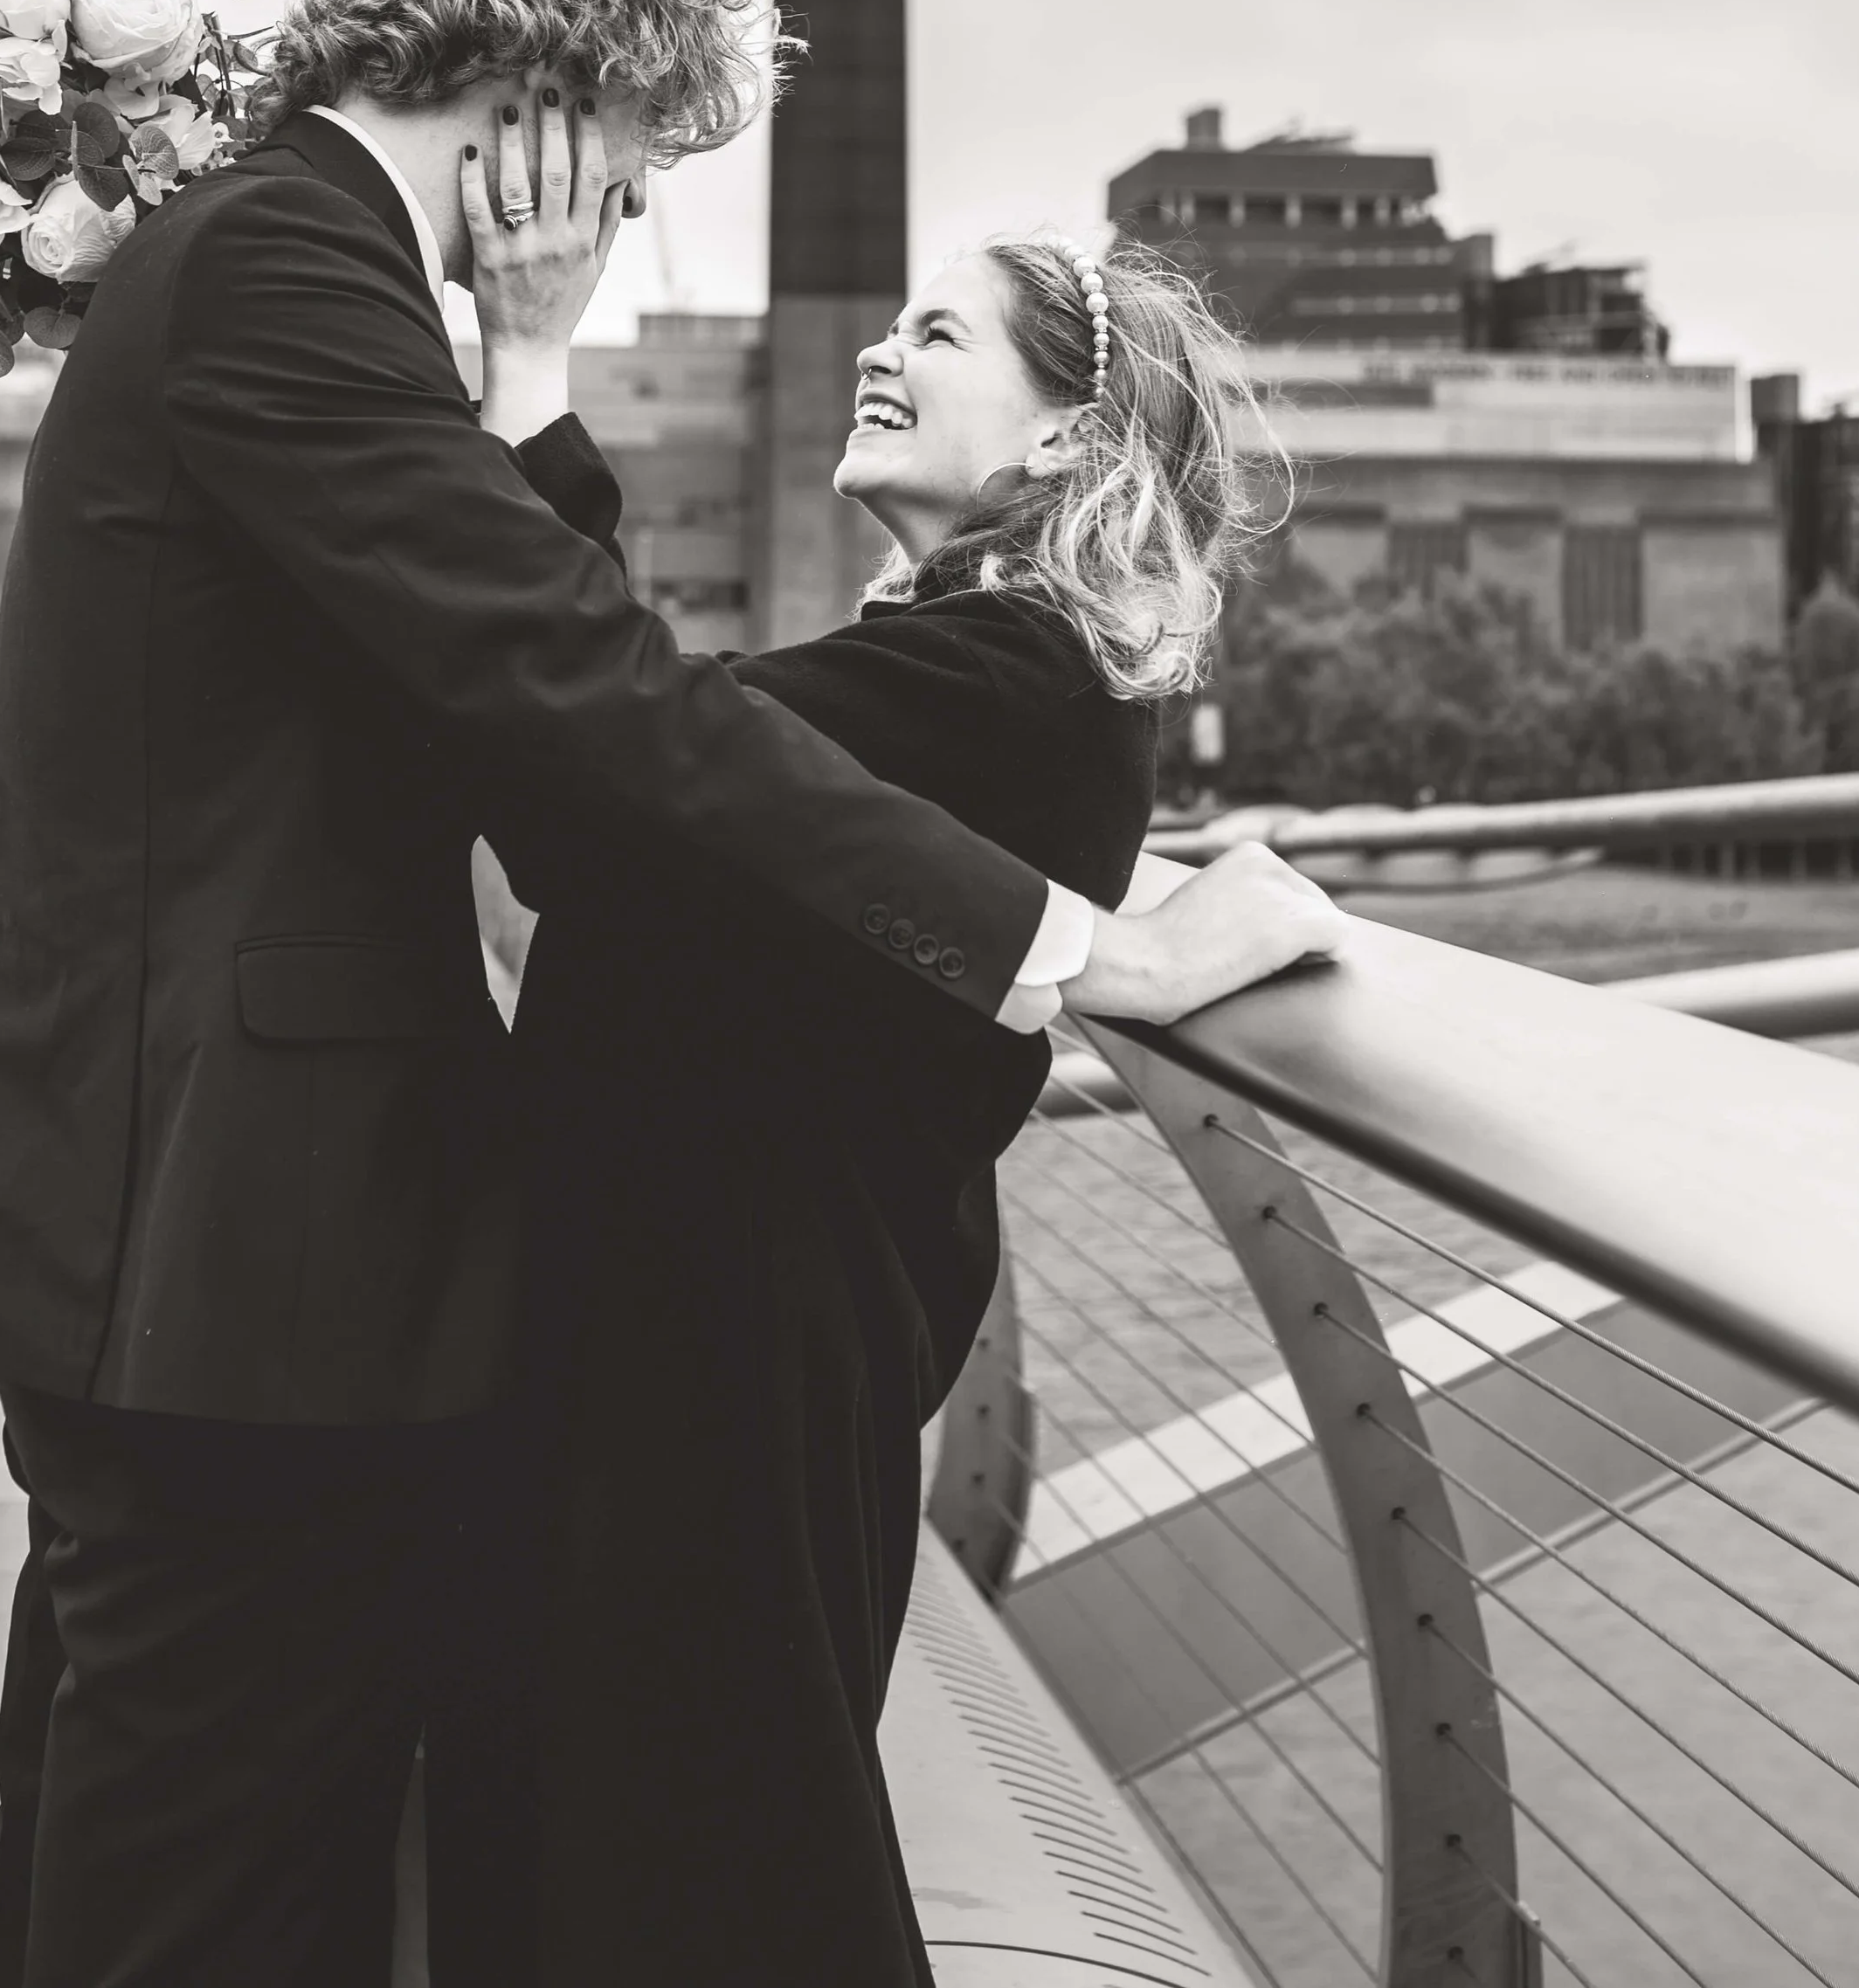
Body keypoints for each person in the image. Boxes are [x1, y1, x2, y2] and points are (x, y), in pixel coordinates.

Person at [0, 0, 1340, 1988]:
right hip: (214, 1242)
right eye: (644, 145)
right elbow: (573, 692)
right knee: (179, 1878)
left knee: (139, 1856)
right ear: (552, 82)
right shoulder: (285, 267)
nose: (631, 196)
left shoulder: (268, 261)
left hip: (227, 1239)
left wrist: (522, 375)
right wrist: (1087, 948)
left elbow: (563, 701)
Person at [494, 227, 1277, 1984]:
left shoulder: (997, 668)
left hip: (738, 1332)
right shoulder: (975, 655)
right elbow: (631, 764)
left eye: (934, 332)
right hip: (749, 1317)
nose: (878, 350)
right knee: (700, 1828)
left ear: (1065, 436)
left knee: (720, 1852)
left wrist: (536, 377)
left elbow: (598, 753)